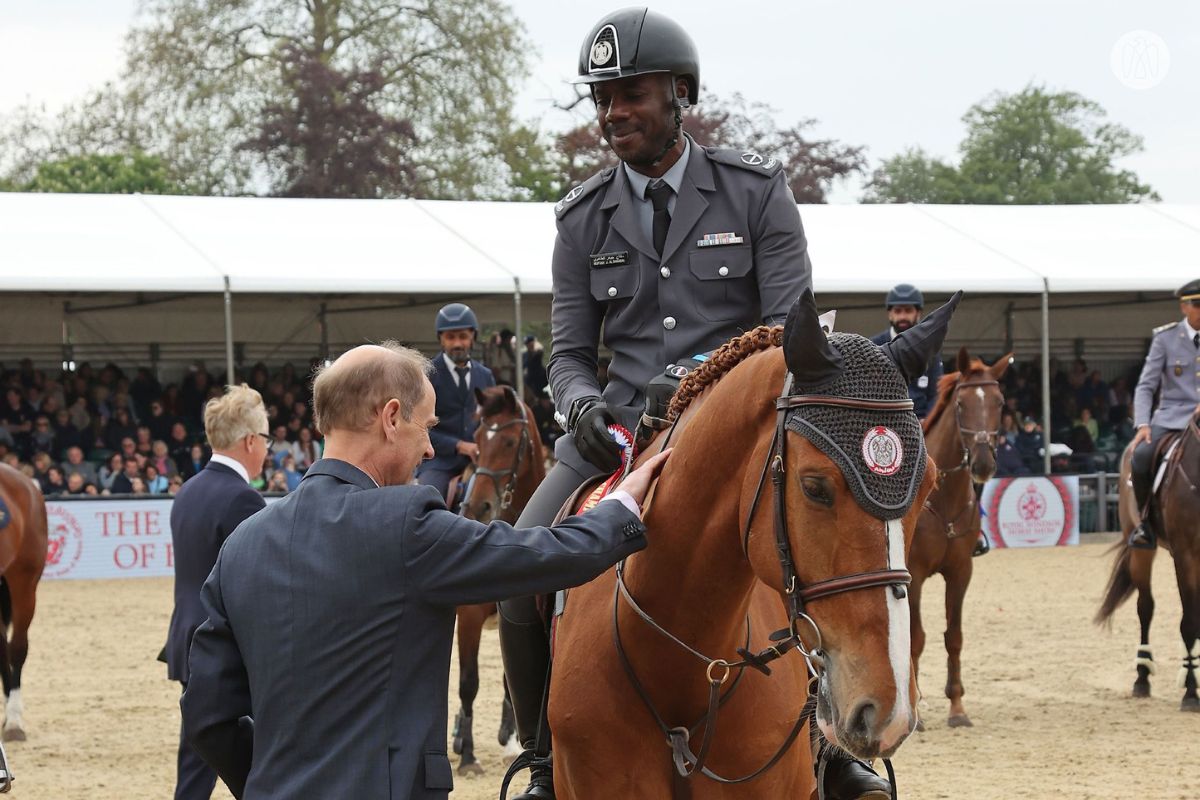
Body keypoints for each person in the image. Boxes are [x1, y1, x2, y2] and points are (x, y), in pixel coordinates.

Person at [494, 9, 904, 800]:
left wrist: (701, 389)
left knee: (809, 555)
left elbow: (791, 335)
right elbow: (572, 355)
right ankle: (547, 765)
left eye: (632, 93)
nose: (614, 111)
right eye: (602, 97)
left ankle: (828, 754)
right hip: (614, 437)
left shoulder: (754, 192)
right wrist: (581, 408)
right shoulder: (582, 218)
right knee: (518, 574)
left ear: (680, 93)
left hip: (736, 436)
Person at [180, 342, 667, 800]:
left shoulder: (241, 545)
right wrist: (621, 506)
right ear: (392, 417)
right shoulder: (406, 521)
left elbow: (206, 716)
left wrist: (269, 786)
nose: (431, 449)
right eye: (427, 427)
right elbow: (545, 555)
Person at [166, 384, 269, 800]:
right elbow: (258, 587)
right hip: (227, 650)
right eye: (266, 439)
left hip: (186, 638)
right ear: (249, 441)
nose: (267, 448)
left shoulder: (187, 491)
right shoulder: (243, 498)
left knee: (196, 758)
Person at [1128, 279, 1200, 549]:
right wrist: (1143, 424)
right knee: (1141, 456)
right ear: (1184, 307)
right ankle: (1145, 522)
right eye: (1197, 305)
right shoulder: (1165, 339)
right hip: (1173, 418)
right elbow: (1146, 385)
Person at [415, 303, 496, 501]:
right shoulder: (426, 375)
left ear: (473, 338)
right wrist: (458, 445)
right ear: (441, 340)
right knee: (426, 499)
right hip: (438, 460)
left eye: (463, 336)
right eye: (450, 337)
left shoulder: (485, 376)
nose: (457, 343)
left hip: (480, 459)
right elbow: (417, 426)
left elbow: (494, 420)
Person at [870, 284, 944, 419]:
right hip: (885, 421)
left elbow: (936, 394)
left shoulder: (930, 348)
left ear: (918, 313)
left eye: (908, 311)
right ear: (890, 314)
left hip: (922, 423)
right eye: (898, 311)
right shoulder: (873, 346)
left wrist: (927, 423)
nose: (903, 316)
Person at [522, 334, 549, 400]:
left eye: (530, 343)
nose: (528, 346)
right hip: (530, 381)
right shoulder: (525, 355)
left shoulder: (537, 352)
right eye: (527, 344)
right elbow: (524, 365)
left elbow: (540, 350)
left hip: (540, 380)